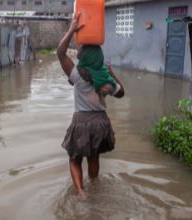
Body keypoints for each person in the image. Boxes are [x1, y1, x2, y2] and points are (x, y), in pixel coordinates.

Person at [57, 12, 125, 198]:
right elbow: (121, 93)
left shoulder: (77, 76)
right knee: (94, 157)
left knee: (74, 159)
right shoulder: (106, 81)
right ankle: (94, 186)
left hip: (81, 122)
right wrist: (112, 74)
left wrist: (72, 30)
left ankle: (81, 191)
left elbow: (60, 53)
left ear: (84, 58)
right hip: (100, 122)